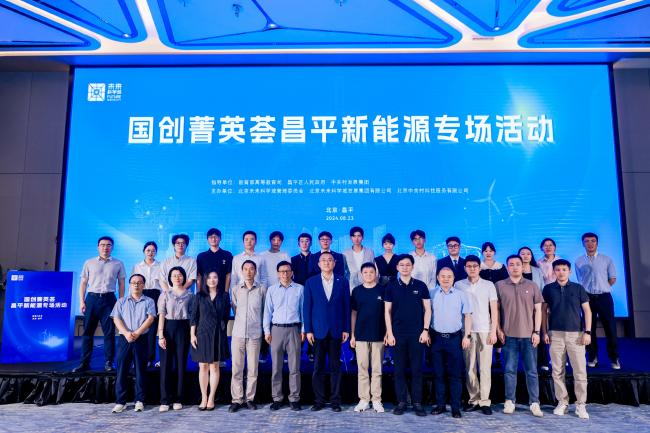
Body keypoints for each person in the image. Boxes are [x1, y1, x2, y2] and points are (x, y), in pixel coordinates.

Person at [542, 259, 592, 420]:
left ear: (569, 271)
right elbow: (544, 312)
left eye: (564, 269)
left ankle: (581, 404)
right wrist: (544, 331)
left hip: (576, 335)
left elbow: (587, 311)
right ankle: (562, 402)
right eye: (557, 269)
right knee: (557, 371)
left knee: (580, 371)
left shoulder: (578, 288)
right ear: (554, 272)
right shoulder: (548, 289)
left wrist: (588, 332)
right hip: (555, 334)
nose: (561, 272)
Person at [496, 255, 544, 417]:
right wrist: (498, 329)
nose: (515, 267)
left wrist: (537, 332)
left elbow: (538, 310)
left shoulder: (532, 285)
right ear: (507, 267)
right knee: (509, 370)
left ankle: (534, 402)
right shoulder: (500, 285)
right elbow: (496, 310)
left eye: (518, 264)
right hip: (508, 336)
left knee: (532, 371)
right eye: (511, 264)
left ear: (523, 267)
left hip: (529, 336)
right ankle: (510, 401)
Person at [385, 254, 432, 417]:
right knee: (398, 370)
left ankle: (417, 403)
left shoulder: (421, 285)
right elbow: (387, 311)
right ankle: (402, 402)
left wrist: (425, 330)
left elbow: (428, 309)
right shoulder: (391, 286)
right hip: (397, 334)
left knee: (417, 369)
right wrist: (389, 333)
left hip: (417, 334)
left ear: (412, 267)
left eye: (408, 265)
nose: (405, 267)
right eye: (402, 265)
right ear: (397, 267)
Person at [304, 252, 350, 412]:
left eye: (330, 260)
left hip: (336, 330)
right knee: (318, 367)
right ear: (318, 264)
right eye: (323, 260)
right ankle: (319, 400)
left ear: (334, 263)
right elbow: (307, 307)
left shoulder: (342, 281)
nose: (327, 262)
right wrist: (308, 330)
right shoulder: (311, 282)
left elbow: (346, 306)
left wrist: (346, 328)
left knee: (336, 367)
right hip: (317, 331)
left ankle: (335, 401)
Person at [73, 236, 126, 373]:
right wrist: (82, 301)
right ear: (98, 247)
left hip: (109, 299)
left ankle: (109, 362)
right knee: (87, 332)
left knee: (109, 333)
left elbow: (121, 283)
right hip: (92, 299)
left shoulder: (118, 263)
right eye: (102, 245)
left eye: (108, 245)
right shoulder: (89, 262)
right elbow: (83, 283)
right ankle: (84, 363)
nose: (105, 247)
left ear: (112, 247)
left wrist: (120, 302)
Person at [455, 255, 498, 415]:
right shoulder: (458, 285)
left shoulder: (488, 285)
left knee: (485, 368)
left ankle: (485, 401)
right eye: (469, 266)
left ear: (480, 268)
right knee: (470, 367)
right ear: (465, 268)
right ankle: (473, 399)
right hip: (467, 331)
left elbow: (494, 309)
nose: (472, 268)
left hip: (485, 330)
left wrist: (493, 331)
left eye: (475, 266)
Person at [429, 267, 472, 418]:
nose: (446, 279)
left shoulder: (461, 295)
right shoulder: (431, 293)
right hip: (436, 339)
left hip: (455, 339)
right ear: (438, 277)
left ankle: (455, 407)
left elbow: (467, 316)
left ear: (453, 278)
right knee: (438, 373)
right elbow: (426, 314)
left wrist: (467, 336)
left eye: (449, 276)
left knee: (455, 375)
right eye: (443, 276)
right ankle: (440, 405)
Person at [110, 274, 156, 413]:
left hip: (141, 338)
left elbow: (150, 318)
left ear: (143, 285)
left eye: (139, 283)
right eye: (133, 283)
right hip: (124, 338)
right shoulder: (121, 301)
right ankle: (121, 401)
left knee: (140, 370)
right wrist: (126, 333)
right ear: (129, 285)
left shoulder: (149, 301)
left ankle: (139, 400)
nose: (136, 285)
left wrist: (137, 333)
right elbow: (116, 319)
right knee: (122, 370)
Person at [574, 232, 620, 369]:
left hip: (604, 297)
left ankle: (614, 359)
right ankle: (592, 357)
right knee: (589, 329)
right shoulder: (578, 261)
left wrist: (602, 287)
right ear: (583, 244)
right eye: (587, 241)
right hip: (587, 298)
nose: (590, 243)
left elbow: (612, 278)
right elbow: (580, 280)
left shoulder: (607, 259)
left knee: (610, 328)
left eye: (593, 241)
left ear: (597, 243)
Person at [264, 261, 304, 411]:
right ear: (277, 273)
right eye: (282, 271)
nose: (285, 274)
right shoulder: (272, 290)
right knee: (276, 367)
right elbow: (267, 312)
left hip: (294, 329)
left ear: (292, 272)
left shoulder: (300, 289)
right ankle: (277, 398)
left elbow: (303, 311)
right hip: (277, 330)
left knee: (295, 367)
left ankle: (294, 398)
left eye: (287, 271)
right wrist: (267, 331)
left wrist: (303, 330)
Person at [229, 260, 266, 412]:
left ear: (255, 271)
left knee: (252, 369)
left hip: (255, 334)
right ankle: (237, 399)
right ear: (241, 271)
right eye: (246, 269)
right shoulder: (235, 290)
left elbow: (264, 311)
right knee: (236, 368)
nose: (249, 272)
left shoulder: (262, 290)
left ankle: (250, 399)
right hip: (238, 333)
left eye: (252, 269)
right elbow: (235, 308)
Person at [190, 271, 230, 411]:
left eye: (215, 277)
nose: (212, 280)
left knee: (214, 367)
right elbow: (194, 317)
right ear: (205, 280)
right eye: (209, 278)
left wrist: (222, 330)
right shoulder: (199, 296)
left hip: (217, 334)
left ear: (219, 279)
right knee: (203, 367)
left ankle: (212, 397)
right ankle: (204, 397)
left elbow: (226, 316)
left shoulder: (224, 296)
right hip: (202, 334)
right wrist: (192, 335)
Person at [350, 263, 386, 413]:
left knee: (377, 369)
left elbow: (387, 313)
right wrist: (353, 334)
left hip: (378, 334)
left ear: (376, 274)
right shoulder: (356, 291)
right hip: (361, 335)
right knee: (362, 369)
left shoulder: (383, 290)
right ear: (361, 274)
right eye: (365, 272)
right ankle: (364, 399)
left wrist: (387, 333)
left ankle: (376, 399)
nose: (369, 274)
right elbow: (353, 314)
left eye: (371, 272)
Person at [158, 266, 194, 411]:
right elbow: (161, 314)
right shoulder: (165, 294)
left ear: (184, 277)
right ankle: (165, 400)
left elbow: (192, 316)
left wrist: (192, 334)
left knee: (181, 364)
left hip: (184, 328)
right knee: (165, 365)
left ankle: (179, 398)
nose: (177, 278)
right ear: (170, 278)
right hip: (168, 328)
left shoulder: (190, 295)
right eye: (174, 275)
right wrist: (161, 335)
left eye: (180, 275)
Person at [132, 241, 162, 367]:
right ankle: (138, 358)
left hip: (156, 296)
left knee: (152, 329)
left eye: (153, 251)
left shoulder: (161, 265)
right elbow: (133, 283)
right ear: (144, 251)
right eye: (148, 250)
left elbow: (163, 284)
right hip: (141, 295)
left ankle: (150, 358)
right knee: (139, 326)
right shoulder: (137, 266)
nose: (150, 253)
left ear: (156, 252)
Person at [519, 246, 549, 371]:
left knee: (539, 333)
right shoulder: (515, 270)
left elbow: (542, 288)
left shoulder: (537, 270)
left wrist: (543, 305)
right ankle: (529, 363)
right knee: (525, 336)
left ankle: (543, 362)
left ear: (531, 256)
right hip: (521, 308)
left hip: (536, 307)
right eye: (523, 253)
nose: (525, 256)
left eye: (528, 254)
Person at [196, 228, 233, 293]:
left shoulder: (227, 255)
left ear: (220, 238)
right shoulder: (201, 256)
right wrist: (198, 292)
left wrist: (226, 292)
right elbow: (199, 276)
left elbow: (228, 275)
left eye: (216, 237)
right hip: (205, 293)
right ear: (207, 239)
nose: (213, 239)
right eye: (211, 237)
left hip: (221, 292)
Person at [343, 226, 376, 291]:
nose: (356, 238)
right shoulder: (345, 253)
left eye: (359, 236)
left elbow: (373, 268)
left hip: (367, 282)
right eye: (354, 236)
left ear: (362, 237)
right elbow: (344, 270)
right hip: (351, 284)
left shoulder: (370, 252)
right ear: (350, 238)